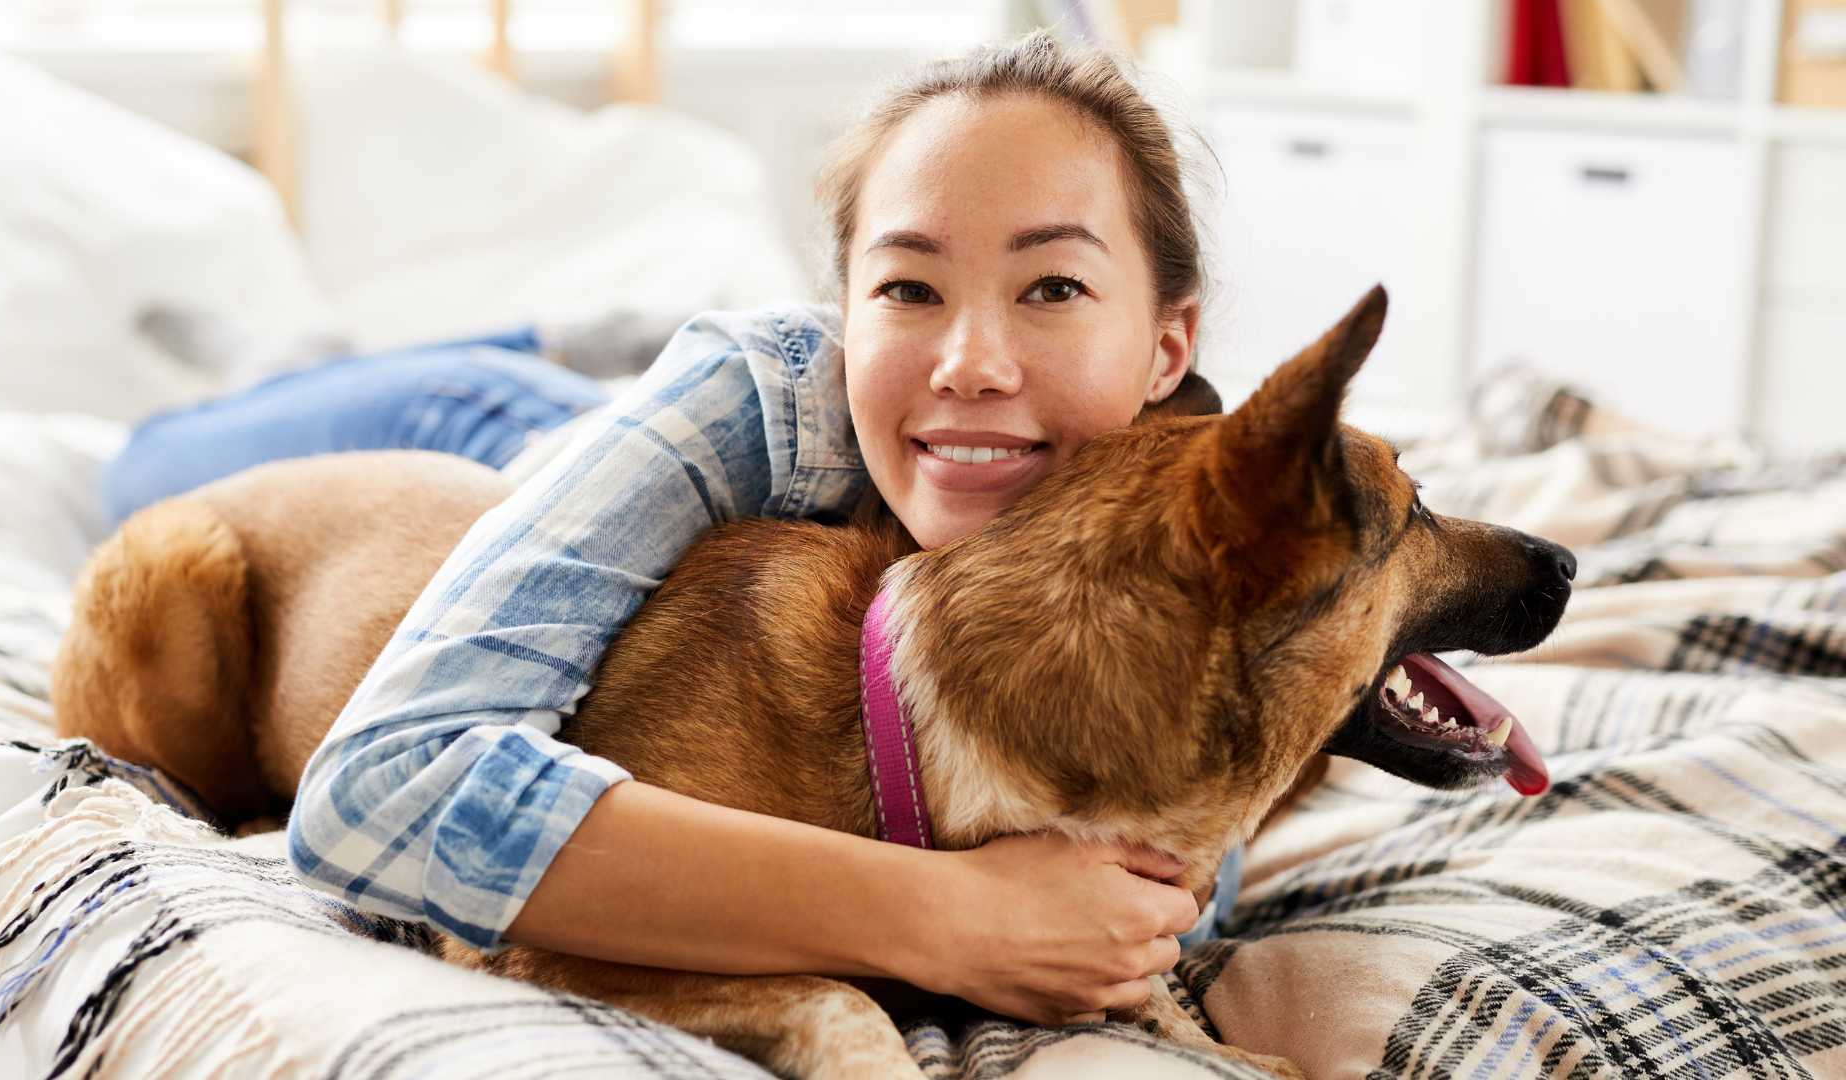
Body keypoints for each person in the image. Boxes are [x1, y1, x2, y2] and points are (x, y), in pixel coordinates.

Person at [103, 30, 1241, 1028]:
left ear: (1167, 347)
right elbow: (376, 794)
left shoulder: (1229, 534)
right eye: (908, 288)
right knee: (152, 453)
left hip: (614, 435)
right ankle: (483, 344)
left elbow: (1183, 865)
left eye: (1053, 289)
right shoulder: (763, 406)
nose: (971, 365)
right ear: (844, 308)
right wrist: (944, 914)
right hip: (488, 446)